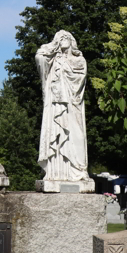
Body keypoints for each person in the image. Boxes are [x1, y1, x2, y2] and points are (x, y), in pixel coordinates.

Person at [35, 30, 89, 182]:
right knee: (55, 134)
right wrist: (50, 48)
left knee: (75, 134)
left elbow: (79, 81)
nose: (64, 39)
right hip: (55, 104)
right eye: (60, 38)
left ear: (73, 42)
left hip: (72, 105)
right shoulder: (53, 59)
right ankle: (55, 172)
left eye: (67, 37)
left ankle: (77, 169)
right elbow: (40, 58)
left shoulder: (80, 60)